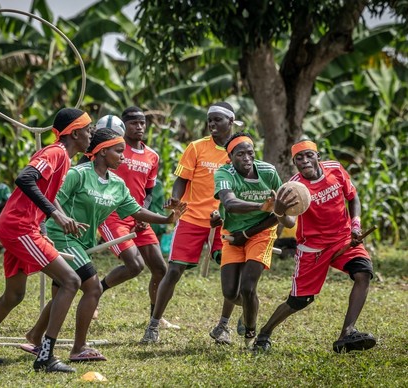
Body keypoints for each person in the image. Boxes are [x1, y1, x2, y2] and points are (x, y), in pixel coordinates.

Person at [20, 128, 186, 362]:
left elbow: (136, 210)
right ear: (101, 152)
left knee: (61, 291)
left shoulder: (117, 184)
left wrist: (167, 219)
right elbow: (50, 197)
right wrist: (55, 223)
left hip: (82, 241)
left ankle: (35, 337)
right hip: (63, 237)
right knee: (93, 287)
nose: (123, 156)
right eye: (119, 151)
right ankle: (78, 348)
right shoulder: (78, 174)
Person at [0, 108, 92, 373]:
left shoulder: (63, 158)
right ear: (75, 133)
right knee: (71, 281)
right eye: (89, 130)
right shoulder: (55, 152)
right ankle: (45, 357)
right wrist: (55, 216)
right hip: (20, 227)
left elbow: (45, 192)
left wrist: (60, 218)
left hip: (23, 227)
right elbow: (25, 178)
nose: (91, 134)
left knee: (14, 295)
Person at [253, 140, 376, 353]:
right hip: (313, 248)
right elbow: (290, 222)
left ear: (318, 157)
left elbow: (353, 197)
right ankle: (264, 333)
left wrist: (355, 226)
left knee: (363, 273)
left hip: (343, 238)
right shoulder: (293, 187)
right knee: (300, 300)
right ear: (295, 163)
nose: (304, 161)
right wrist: (280, 211)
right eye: (299, 158)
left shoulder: (335, 170)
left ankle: (347, 333)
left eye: (309, 155)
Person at [140, 102, 239, 344]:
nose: (213, 124)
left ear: (231, 121)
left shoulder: (239, 149)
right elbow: (181, 180)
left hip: (225, 220)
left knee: (232, 272)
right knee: (173, 270)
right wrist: (176, 199)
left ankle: (223, 326)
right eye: (210, 121)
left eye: (218, 120)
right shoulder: (196, 148)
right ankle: (153, 326)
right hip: (193, 217)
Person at [97, 107, 177, 328]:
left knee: (161, 269)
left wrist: (143, 212)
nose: (139, 127)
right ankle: (97, 289)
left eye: (142, 123)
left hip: (138, 215)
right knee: (134, 266)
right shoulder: (111, 150)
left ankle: (156, 317)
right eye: (133, 123)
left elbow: (149, 191)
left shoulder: (152, 156)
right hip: (112, 215)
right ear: (123, 126)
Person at [208, 132, 283, 349]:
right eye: (240, 154)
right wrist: (260, 206)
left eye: (250, 153)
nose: (247, 158)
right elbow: (229, 203)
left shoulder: (268, 172)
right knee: (231, 293)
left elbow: (279, 211)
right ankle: (250, 309)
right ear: (230, 157)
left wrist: (250, 233)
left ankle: (251, 335)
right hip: (232, 234)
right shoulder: (224, 173)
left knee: (248, 288)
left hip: (261, 233)